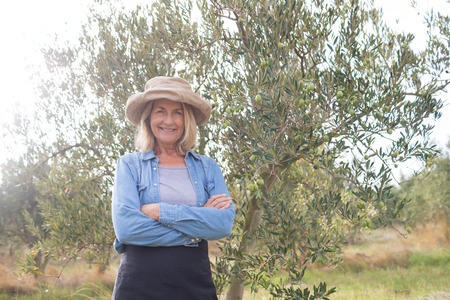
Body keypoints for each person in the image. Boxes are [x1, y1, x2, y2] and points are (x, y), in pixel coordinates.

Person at [111, 76, 235, 299]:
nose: (168, 121)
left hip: (194, 284)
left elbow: (223, 225)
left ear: (186, 119)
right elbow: (127, 229)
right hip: (137, 286)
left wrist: (159, 211)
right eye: (160, 111)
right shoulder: (129, 165)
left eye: (177, 112)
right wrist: (196, 232)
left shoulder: (208, 168)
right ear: (148, 117)